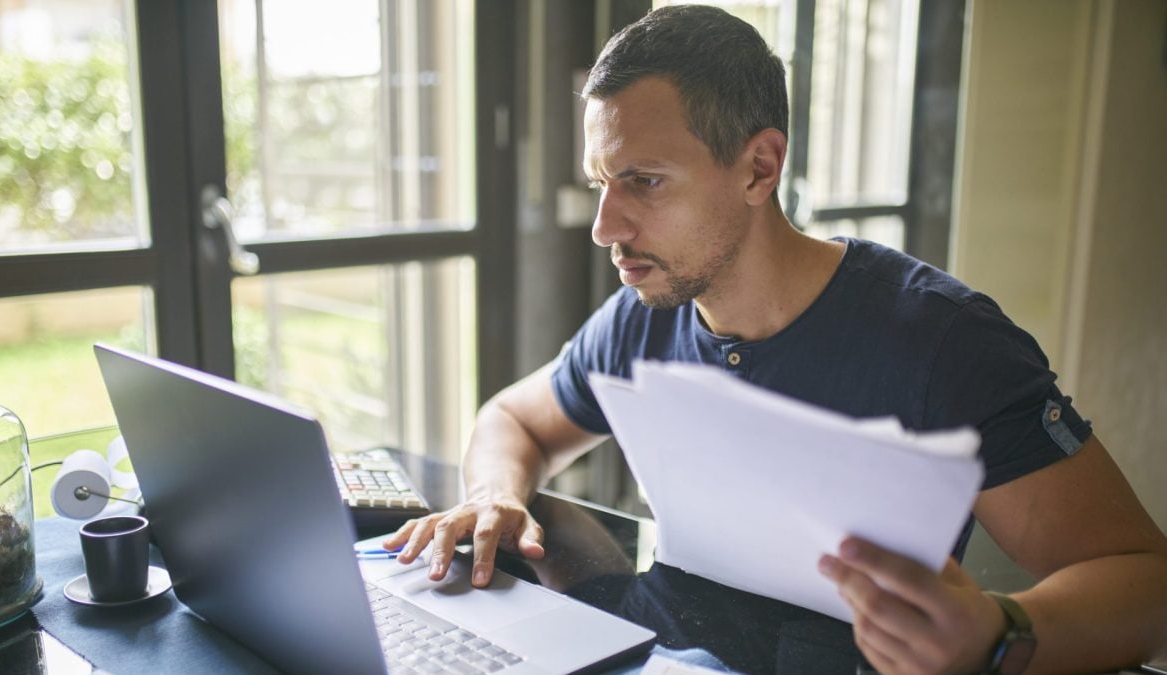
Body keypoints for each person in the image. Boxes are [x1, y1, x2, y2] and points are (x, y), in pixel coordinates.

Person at [383, 5, 1167, 673]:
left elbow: (1143, 578)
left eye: (644, 182)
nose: (604, 228)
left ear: (760, 167)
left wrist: (1000, 632)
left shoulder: (946, 341)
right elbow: (513, 419)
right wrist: (495, 494)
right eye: (601, 182)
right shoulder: (644, 310)